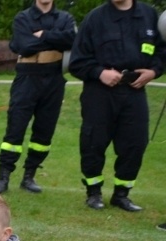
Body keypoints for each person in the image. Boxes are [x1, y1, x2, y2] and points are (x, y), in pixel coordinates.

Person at [68, 0, 166, 211]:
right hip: (99, 92)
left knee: (135, 143)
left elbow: (162, 52)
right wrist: (99, 73)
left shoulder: (149, 16)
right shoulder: (95, 19)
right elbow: (76, 61)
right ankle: (93, 192)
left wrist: (154, 72)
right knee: (93, 142)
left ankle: (122, 194)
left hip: (134, 91)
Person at [0, 0, 75, 195]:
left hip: (54, 78)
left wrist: (43, 35)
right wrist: (56, 39)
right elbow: (24, 46)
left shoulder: (65, 18)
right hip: (27, 76)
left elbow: (72, 40)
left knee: (44, 132)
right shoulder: (23, 18)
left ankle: (29, 176)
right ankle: (3, 178)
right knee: (15, 128)